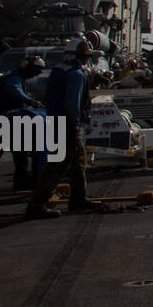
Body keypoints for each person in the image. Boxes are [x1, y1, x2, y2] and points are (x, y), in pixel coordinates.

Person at [26, 41, 103, 219]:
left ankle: (78, 199)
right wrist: (75, 124)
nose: (86, 61)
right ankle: (37, 203)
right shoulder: (75, 74)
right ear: (77, 56)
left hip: (56, 121)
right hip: (67, 125)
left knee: (78, 162)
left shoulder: (57, 70)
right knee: (58, 164)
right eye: (85, 57)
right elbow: (71, 103)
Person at [0, 55, 46, 191]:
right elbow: (15, 91)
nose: (36, 74)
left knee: (21, 153)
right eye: (35, 71)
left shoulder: (18, 77)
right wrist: (30, 101)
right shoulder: (13, 78)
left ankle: (22, 182)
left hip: (8, 121)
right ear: (27, 67)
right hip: (0, 121)